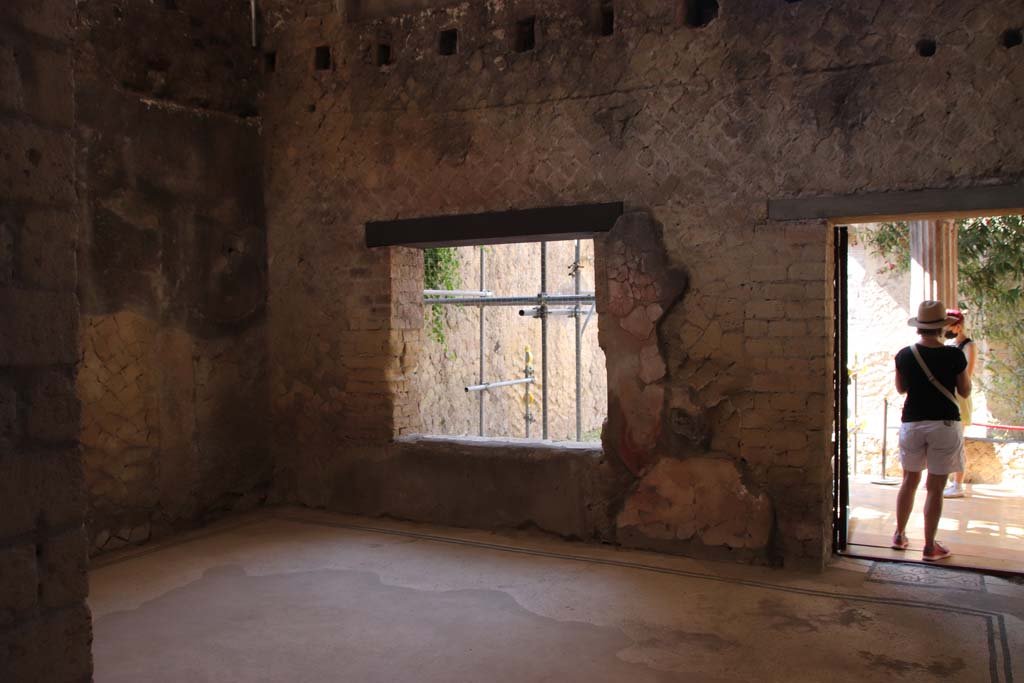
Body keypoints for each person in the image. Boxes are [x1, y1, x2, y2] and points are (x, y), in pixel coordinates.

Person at [890, 300, 971, 562]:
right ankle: (928, 546)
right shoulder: (954, 355)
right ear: (941, 327)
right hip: (944, 424)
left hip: (912, 422)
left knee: (908, 481)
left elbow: (901, 389)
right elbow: (965, 390)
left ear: (920, 327)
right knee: (935, 488)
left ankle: (900, 534)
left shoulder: (904, 354)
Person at [943, 308, 978, 498]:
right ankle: (947, 479)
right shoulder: (949, 344)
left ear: (957, 326)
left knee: (957, 441)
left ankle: (958, 483)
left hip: (961, 396)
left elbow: (968, 375)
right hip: (949, 394)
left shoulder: (969, 346)